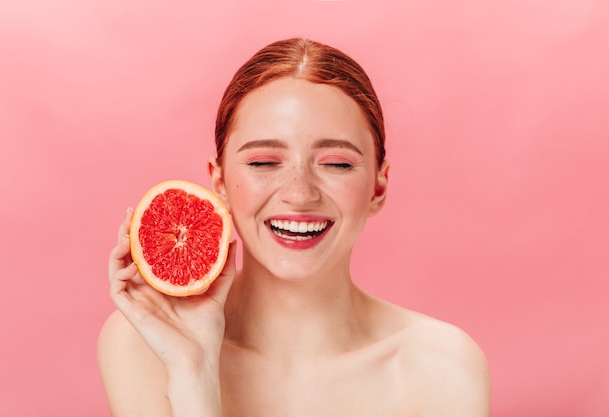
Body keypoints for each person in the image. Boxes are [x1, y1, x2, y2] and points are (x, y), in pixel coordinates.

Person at [98, 37, 491, 417]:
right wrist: (192, 374)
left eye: (336, 163)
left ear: (378, 186)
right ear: (219, 185)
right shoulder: (144, 343)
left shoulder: (442, 366)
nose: (300, 194)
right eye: (263, 163)